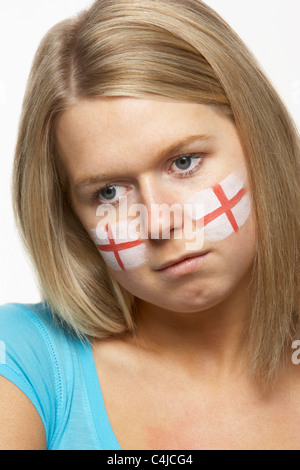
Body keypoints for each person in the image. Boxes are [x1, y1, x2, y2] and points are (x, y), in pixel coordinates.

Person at [0, 0, 299, 450]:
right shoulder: (26, 361)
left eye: (184, 162)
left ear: (259, 138)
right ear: (71, 216)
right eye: (109, 193)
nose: (159, 223)